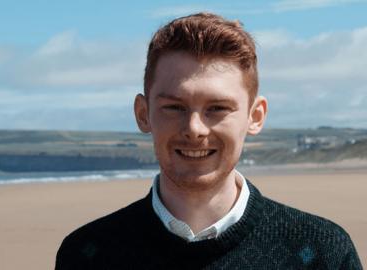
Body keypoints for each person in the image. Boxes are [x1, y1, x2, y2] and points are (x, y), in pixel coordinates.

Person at [55, 12, 362, 269]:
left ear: (255, 116)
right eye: (174, 107)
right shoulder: (86, 253)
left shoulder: (321, 252)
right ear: (143, 113)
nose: (194, 129)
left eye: (217, 108)